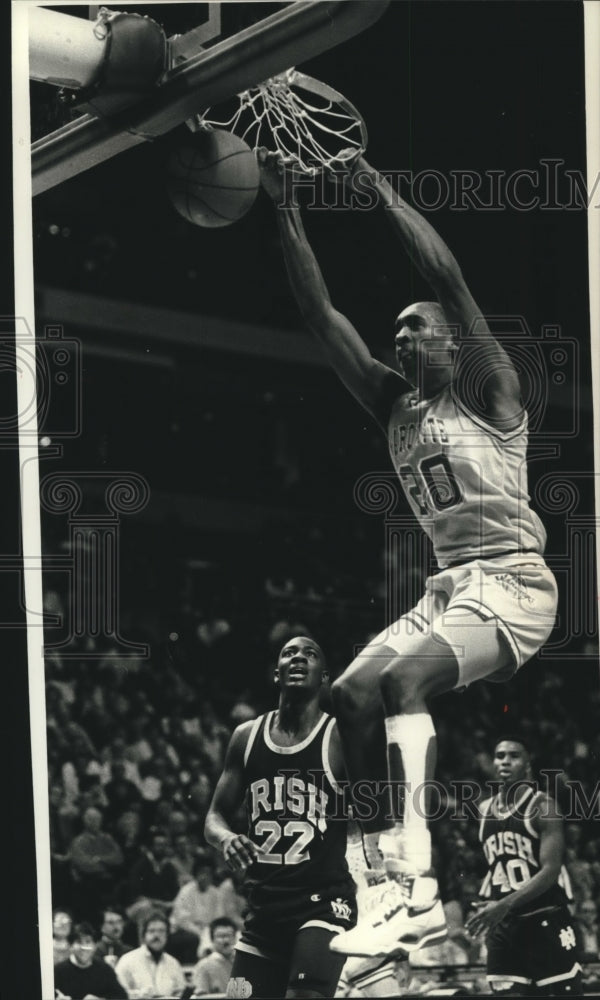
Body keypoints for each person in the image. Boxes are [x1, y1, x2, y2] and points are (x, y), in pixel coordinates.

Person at [259, 151, 559, 958]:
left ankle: (421, 879)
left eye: (412, 327)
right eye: (393, 329)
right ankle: (380, 884)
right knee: (348, 700)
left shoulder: (489, 389)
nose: (398, 336)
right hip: (451, 587)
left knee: (400, 681)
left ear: (450, 342)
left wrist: (379, 192)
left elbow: (452, 280)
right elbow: (322, 317)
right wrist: (286, 211)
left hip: (515, 583)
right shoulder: (394, 403)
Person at [205, 636, 356, 999]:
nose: (299, 657)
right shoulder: (246, 737)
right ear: (277, 673)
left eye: (310, 653)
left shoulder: (340, 738)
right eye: (290, 652)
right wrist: (226, 837)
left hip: (323, 902)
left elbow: (375, 810)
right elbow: (215, 815)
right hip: (264, 908)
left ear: (324, 677)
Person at [465, 736, 583, 995]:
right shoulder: (484, 809)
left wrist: (505, 903)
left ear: (527, 766)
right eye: (500, 755)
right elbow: (499, 865)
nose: (505, 761)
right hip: (505, 928)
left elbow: (550, 871)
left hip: (545, 920)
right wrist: (493, 901)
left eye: (514, 756)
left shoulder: (543, 806)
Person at [115, 910, 186, 999]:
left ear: (167, 935)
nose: (157, 935)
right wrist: (139, 995)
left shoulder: (173, 963)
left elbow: (181, 993)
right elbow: (117, 994)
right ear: (144, 935)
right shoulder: (127, 961)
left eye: (161, 931)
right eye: (152, 931)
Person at [54, 921, 128, 1000]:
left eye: (88, 942)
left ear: (95, 946)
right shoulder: (58, 971)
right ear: (71, 946)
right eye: (79, 942)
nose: (84, 947)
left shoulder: (105, 969)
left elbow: (121, 997)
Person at [190, 917, 238, 998]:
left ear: (235, 938)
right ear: (212, 939)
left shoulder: (239, 963)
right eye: (221, 936)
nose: (226, 940)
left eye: (229, 936)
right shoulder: (204, 966)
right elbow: (199, 997)